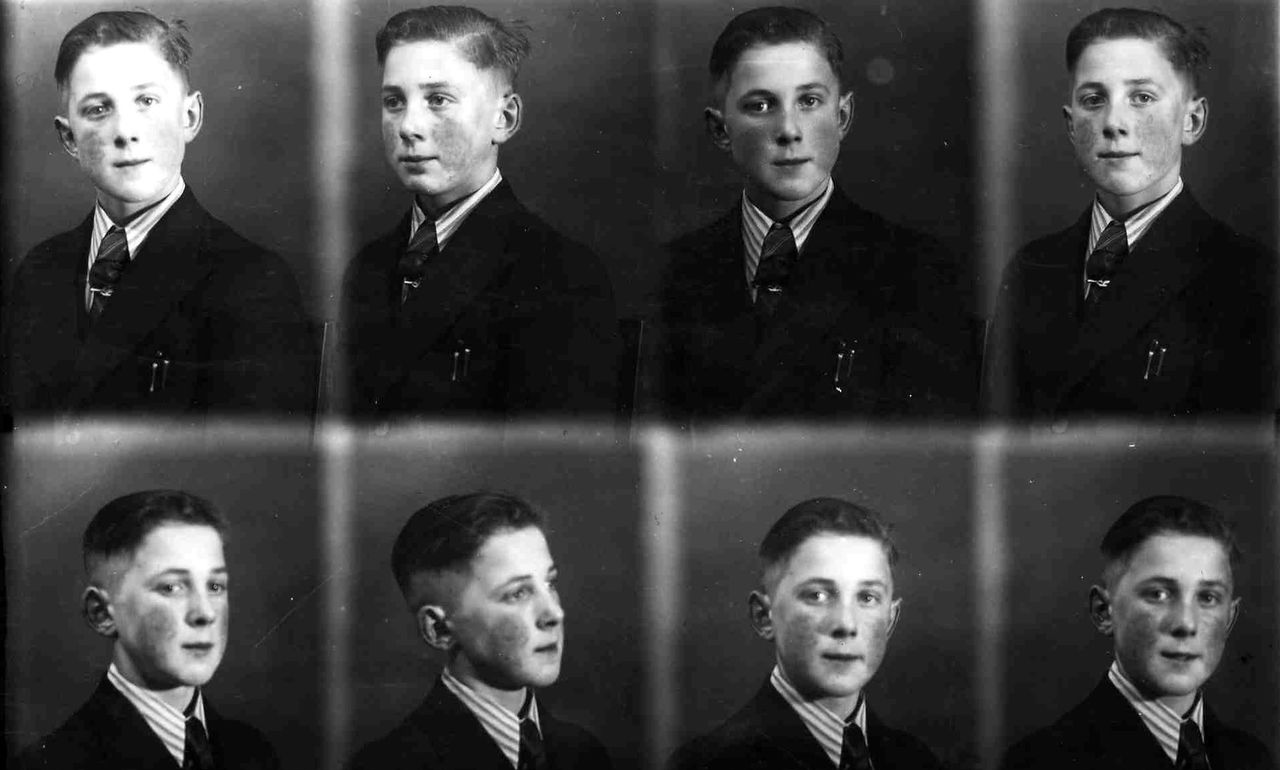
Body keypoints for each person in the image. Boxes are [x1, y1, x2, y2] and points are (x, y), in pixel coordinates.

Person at [655, 6, 977, 423]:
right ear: (720, 129)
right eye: (760, 105)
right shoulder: (674, 272)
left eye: (808, 101)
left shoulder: (915, 271)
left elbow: (926, 449)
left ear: (842, 116)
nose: (789, 130)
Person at [3, 11, 317, 424]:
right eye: (98, 109)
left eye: (146, 101)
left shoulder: (251, 281)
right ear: (69, 138)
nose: (125, 131)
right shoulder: (39, 272)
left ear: (189, 116)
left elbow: (250, 458)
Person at [6, 490, 310, 770]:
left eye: (215, 585)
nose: (204, 612)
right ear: (102, 613)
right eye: (171, 587)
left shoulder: (251, 754)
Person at [667, 497, 965, 770]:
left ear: (891, 619)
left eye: (867, 597)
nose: (845, 624)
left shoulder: (918, 767)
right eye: (818, 595)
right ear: (764, 616)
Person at [984, 8, 1275, 419]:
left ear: (1192, 120)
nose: (1114, 123)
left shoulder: (1252, 279)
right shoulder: (1030, 270)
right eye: (1093, 100)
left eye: (1142, 97)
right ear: (1071, 125)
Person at [345, 492, 630, 770]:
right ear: (439, 630)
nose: (554, 613)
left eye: (549, 583)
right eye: (517, 594)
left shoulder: (585, 756)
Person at [1000, 495, 1279, 770]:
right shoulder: (1048, 768)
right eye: (1159, 594)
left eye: (1208, 598)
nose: (1185, 624)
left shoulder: (1252, 762)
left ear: (1230, 618)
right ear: (1104, 611)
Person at [342, 7, 617, 418]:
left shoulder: (561, 275)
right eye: (394, 101)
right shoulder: (368, 268)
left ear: (504, 118)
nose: (408, 127)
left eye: (438, 99)